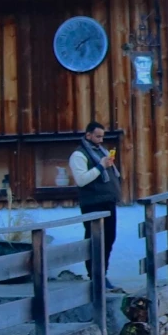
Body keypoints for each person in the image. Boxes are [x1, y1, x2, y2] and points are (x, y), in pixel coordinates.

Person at [68, 121, 121, 290]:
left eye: (102, 137)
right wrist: (101, 166)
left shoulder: (100, 152)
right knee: (95, 240)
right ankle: (95, 275)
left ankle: (102, 273)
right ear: (88, 135)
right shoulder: (79, 155)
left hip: (107, 202)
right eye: (97, 136)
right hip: (93, 204)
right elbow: (81, 180)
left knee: (109, 238)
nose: (100, 140)